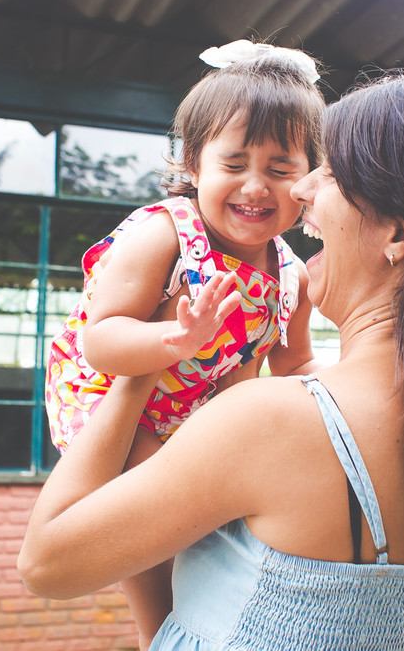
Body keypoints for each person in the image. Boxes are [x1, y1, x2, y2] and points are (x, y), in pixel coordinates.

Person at [20, 70, 404, 649]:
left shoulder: (271, 421)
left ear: (399, 232)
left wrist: (146, 365)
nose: (300, 190)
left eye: (331, 171)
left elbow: (47, 565)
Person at [43, 40, 326, 647]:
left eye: (280, 169)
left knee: (207, 519)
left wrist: (345, 392)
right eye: (234, 164)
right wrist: (174, 337)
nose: (255, 186)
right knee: (161, 527)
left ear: (309, 182)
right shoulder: (165, 235)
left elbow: (294, 361)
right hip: (114, 397)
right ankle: (161, 636)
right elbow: (102, 340)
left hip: (198, 413)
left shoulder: (292, 276)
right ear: (193, 165)